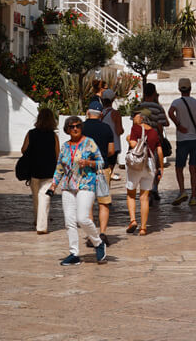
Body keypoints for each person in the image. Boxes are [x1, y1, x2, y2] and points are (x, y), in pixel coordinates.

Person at [46, 117, 107, 265]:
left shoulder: (89, 143)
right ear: (67, 130)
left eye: (78, 126)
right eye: (71, 126)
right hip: (68, 186)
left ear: (81, 127)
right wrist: (54, 185)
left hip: (87, 184)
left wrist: (88, 162)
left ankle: (98, 243)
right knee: (69, 222)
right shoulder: (65, 146)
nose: (75, 129)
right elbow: (60, 167)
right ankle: (74, 253)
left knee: (82, 218)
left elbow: (101, 162)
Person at [168, 76, 196, 207]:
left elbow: (170, 112)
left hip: (182, 139)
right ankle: (194, 196)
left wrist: (178, 125)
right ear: (191, 88)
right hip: (195, 139)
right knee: (193, 168)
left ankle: (182, 191)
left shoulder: (176, 102)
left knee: (179, 167)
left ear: (179, 89)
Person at [21, 108, 60, 234]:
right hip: (49, 170)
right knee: (45, 197)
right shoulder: (53, 136)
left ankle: (37, 220)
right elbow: (58, 154)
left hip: (34, 170)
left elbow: (23, 149)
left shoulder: (31, 133)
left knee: (36, 197)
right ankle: (41, 224)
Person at [125, 109, 163, 236]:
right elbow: (159, 150)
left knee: (131, 194)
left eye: (136, 116)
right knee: (144, 197)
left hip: (136, 165)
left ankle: (133, 220)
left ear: (141, 118)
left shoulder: (135, 128)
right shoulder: (153, 132)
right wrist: (161, 167)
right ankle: (143, 228)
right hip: (150, 165)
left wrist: (128, 138)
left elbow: (133, 144)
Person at [81, 103, 116, 236]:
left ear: (87, 112)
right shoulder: (106, 128)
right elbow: (111, 150)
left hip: (86, 170)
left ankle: (92, 235)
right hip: (102, 169)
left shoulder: (81, 127)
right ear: (101, 114)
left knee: (88, 204)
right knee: (103, 203)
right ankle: (103, 233)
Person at [137, 83, 169, 202]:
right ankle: (154, 188)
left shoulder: (138, 107)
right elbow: (163, 123)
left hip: (141, 141)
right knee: (155, 166)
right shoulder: (158, 107)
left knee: (145, 167)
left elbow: (135, 124)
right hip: (155, 140)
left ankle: (147, 191)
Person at [100, 89, 123, 184]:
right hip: (113, 145)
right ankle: (105, 193)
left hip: (101, 145)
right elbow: (119, 131)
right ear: (113, 100)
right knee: (109, 172)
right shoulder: (115, 114)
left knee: (102, 172)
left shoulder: (99, 113)